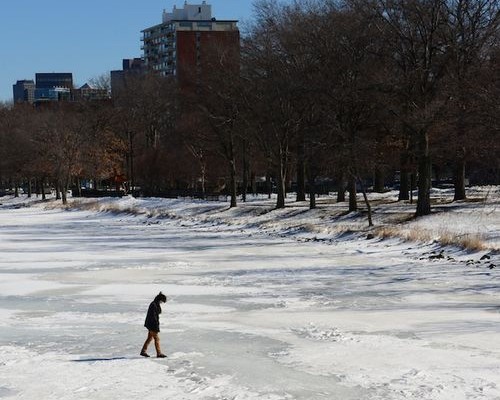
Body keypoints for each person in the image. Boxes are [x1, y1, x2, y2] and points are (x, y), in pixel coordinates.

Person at [140, 292, 167, 358]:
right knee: (157, 339)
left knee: (150, 338)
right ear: (159, 299)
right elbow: (153, 317)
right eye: (161, 301)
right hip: (152, 325)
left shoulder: (155, 304)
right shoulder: (154, 305)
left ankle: (143, 351)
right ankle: (159, 353)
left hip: (150, 324)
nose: (161, 303)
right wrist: (156, 327)